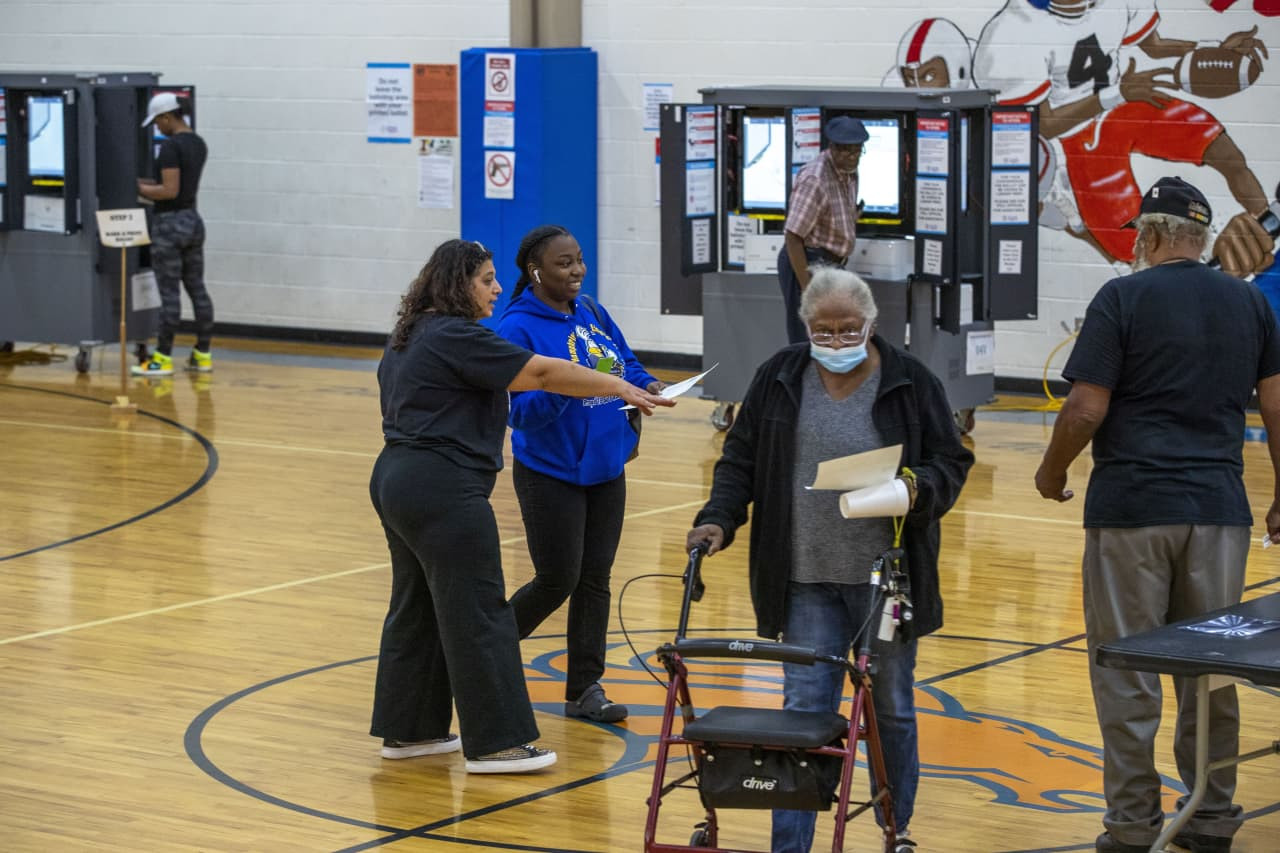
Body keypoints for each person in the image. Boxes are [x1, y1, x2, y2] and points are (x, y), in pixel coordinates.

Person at [686, 267, 973, 853]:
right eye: (825, 330)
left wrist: (917, 487)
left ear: (872, 324)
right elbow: (739, 459)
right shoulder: (779, 377)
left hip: (884, 583)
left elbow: (951, 461)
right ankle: (791, 845)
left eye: (849, 330)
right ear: (805, 325)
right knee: (803, 714)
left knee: (891, 706)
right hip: (804, 576)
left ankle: (897, 829)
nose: (838, 342)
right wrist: (718, 517)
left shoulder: (910, 381)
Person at [1034, 176, 1280, 853]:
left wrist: (1052, 470)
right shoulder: (1249, 303)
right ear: (1199, 237)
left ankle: (1133, 825)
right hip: (1220, 514)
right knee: (1211, 669)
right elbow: (1277, 404)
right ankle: (1211, 816)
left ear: (1148, 235)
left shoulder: (1122, 296)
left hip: (1133, 512)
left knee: (1128, 670)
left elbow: (1086, 407)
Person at [368, 239, 672, 774]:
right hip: (443, 487)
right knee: (479, 613)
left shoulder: (410, 333)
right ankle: (497, 743)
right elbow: (544, 375)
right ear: (459, 284)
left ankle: (410, 732)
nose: (494, 289)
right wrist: (620, 384)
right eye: (485, 279)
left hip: (397, 479)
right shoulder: (457, 335)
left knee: (415, 609)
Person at [497, 225, 664, 723]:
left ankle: (585, 688)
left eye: (579, 260)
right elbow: (518, 414)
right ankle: (479, 655)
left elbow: (624, 363)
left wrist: (648, 383)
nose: (576, 271)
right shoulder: (515, 329)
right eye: (564, 264)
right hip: (549, 472)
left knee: (595, 580)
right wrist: (567, 385)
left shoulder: (590, 311)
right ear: (535, 271)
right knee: (557, 579)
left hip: (606, 469)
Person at [133, 92, 215, 377]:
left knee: (169, 296)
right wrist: (145, 184)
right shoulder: (198, 143)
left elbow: (168, 191)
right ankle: (202, 355)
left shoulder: (170, 147)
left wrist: (136, 189)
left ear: (168, 117)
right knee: (198, 290)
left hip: (169, 225)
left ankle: (162, 359)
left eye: (157, 121)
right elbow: (178, 187)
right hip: (193, 221)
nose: (157, 127)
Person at [777, 116, 867, 345]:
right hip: (807, 261)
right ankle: (797, 380)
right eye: (848, 152)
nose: (854, 157)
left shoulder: (849, 172)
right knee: (807, 338)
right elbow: (793, 236)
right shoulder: (815, 179)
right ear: (834, 148)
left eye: (858, 151)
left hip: (831, 265)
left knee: (830, 339)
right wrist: (808, 288)